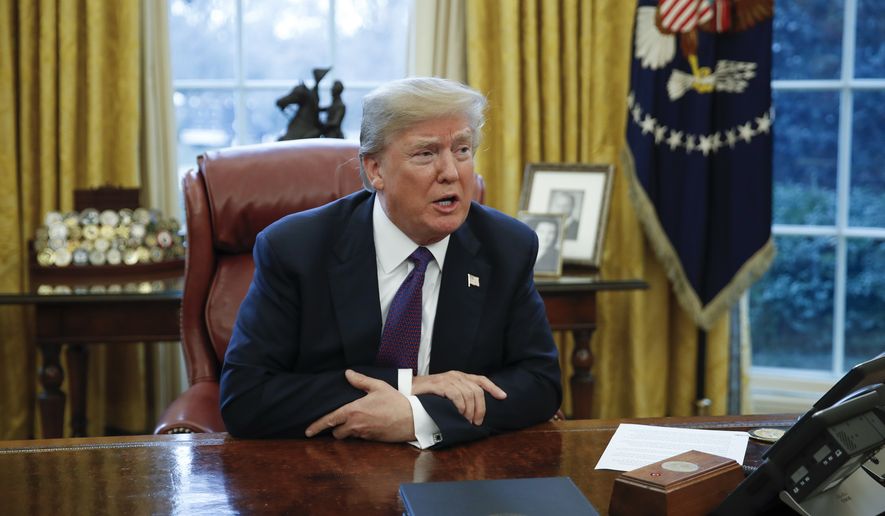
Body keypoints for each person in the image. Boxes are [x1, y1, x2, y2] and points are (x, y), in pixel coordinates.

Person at [220, 77, 562, 449]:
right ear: (375, 170)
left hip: (453, 475)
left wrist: (419, 415)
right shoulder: (296, 250)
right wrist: (407, 385)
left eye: (462, 149)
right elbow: (245, 397)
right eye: (426, 154)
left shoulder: (506, 247)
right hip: (327, 470)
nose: (451, 171)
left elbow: (540, 383)